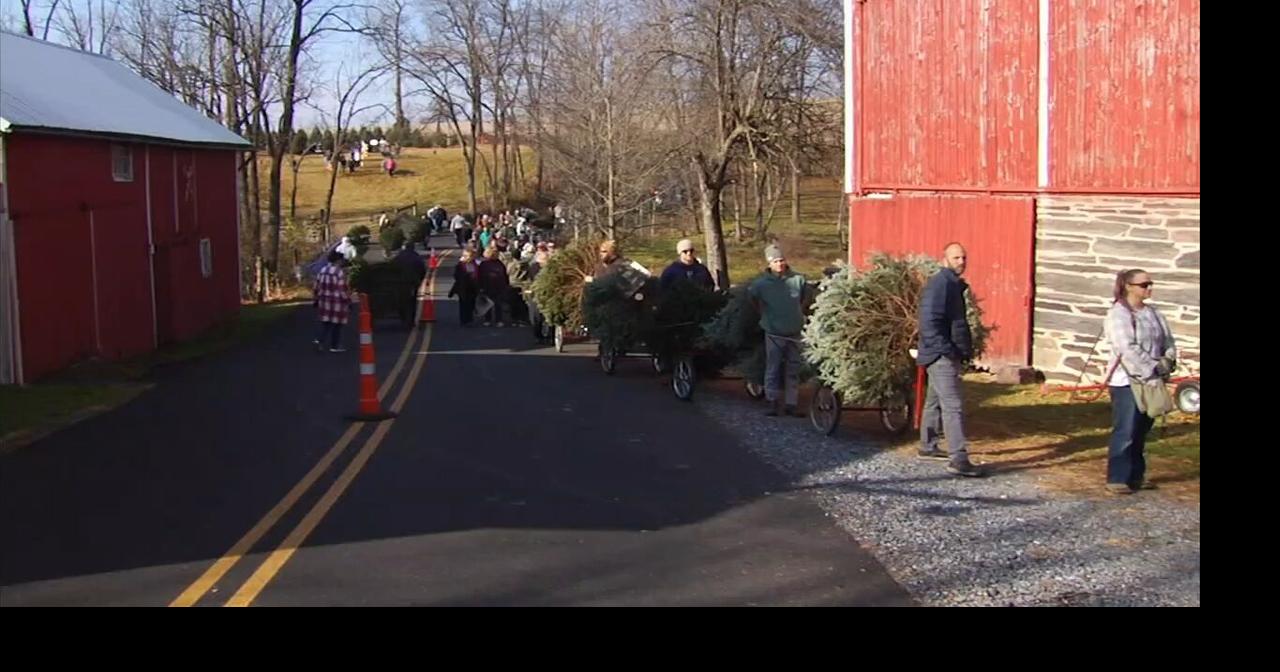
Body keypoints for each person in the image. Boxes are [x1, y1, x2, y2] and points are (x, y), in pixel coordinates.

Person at [1103, 269, 1177, 495]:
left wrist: (1168, 360)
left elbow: (1168, 340)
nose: (1149, 288)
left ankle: (1136, 475)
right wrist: (1152, 365)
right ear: (1128, 286)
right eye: (1144, 284)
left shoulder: (1154, 313)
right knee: (1126, 429)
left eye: (1150, 284)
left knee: (1141, 430)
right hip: (1127, 381)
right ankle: (1117, 478)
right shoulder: (1119, 314)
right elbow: (1126, 347)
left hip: (1152, 380)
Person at [917, 242, 983, 477]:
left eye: (964, 258)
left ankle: (927, 446)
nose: (961, 262)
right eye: (956, 258)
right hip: (940, 354)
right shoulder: (941, 285)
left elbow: (954, 323)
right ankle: (959, 458)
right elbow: (928, 322)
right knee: (953, 406)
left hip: (943, 351)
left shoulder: (952, 285)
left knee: (934, 401)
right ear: (944, 259)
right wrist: (947, 350)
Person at [747, 244, 812, 418]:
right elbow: (752, 298)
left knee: (793, 368)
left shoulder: (798, 279)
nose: (780, 264)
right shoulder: (761, 284)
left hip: (794, 330)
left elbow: (808, 294)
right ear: (769, 263)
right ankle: (772, 401)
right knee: (773, 367)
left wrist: (801, 309)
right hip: (774, 332)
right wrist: (763, 313)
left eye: (782, 260)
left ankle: (792, 403)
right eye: (775, 261)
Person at [312, 251, 353, 352]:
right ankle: (334, 345)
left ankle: (320, 341)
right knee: (337, 324)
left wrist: (316, 298)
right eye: (342, 260)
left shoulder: (323, 270)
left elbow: (316, 286)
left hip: (324, 300)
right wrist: (348, 301)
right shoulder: (339, 272)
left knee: (326, 322)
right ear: (338, 261)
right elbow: (342, 288)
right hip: (337, 301)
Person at [478, 247, 511, 327]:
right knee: (489, 304)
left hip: (498, 286)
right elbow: (480, 276)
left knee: (497, 304)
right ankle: (489, 320)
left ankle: (497, 320)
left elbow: (504, 275)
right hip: (488, 286)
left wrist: (506, 284)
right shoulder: (484, 264)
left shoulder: (499, 263)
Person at [449, 249, 481, 327]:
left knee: (471, 303)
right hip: (463, 287)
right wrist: (465, 277)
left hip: (473, 287)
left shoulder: (475, 264)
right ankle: (464, 320)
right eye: (467, 256)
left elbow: (478, 274)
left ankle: (469, 318)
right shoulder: (460, 265)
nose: (469, 258)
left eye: (471, 256)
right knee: (463, 304)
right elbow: (456, 276)